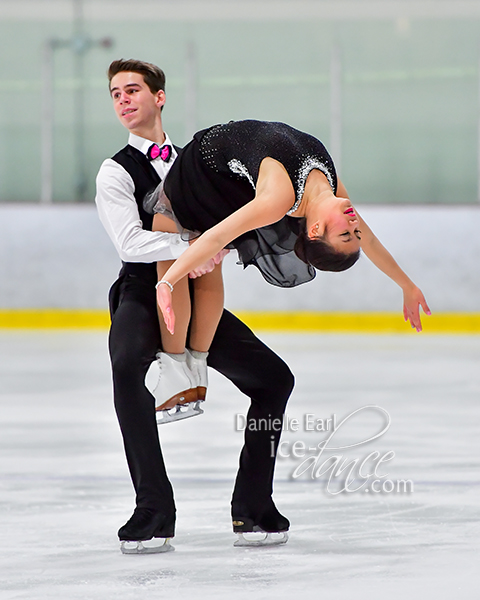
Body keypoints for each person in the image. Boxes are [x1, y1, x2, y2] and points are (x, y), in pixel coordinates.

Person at [95, 61, 294, 553]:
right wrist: (194, 245)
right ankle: (153, 508)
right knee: (127, 369)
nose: (123, 99)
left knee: (274, 380)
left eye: (133, 90)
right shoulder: (115, 170)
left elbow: (236, 219)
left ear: (159, 97)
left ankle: (253, 507)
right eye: (115, 93)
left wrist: (220, 245)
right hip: (144, 290)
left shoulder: (199, 160)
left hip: (198, 293)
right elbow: (129, 242)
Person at [149, 120, 430, 343]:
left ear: (316, 229)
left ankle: (188, 360)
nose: (355, 226)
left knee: (200, 247)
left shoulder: (278, 199)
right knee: (208, 256)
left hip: (201, 173)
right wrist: (408, 286)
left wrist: (168, 282)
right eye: (355, 233)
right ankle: (186, 359)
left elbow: (218, 236)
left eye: (346, 234)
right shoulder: (331, 187)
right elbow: (370, 240)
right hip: (231, 172)